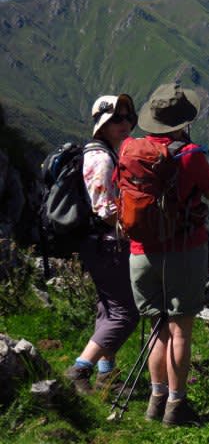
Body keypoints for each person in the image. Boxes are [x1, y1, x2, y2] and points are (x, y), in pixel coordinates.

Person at [126, 83, 209, 426]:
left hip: (140, 252)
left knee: (158, 329)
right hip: (183, 249)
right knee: (181, 331)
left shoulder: (132, 151)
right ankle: (176, 406)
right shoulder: (190, 154)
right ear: (185, 121)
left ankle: (155, 400)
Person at [64, 94, 140, 393]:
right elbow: (105, 211)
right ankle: (80, 368)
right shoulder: (102, 159)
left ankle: (106, 375)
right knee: (126, 313)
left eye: (128, 117)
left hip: (97, 244)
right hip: (107, 244)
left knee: (109, 310)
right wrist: (136, 226)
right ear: (102, 124)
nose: (125, 124)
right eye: (117, 119)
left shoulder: (102, 153)